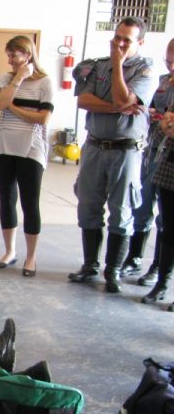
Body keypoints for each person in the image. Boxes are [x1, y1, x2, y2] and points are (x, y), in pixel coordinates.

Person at [68, 17, 156, 293]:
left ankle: (113, 271)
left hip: (126, 150)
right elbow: (84, 101)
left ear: (140, 43)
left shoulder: (146, 70)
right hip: (95, 146)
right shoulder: (97, 66)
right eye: (117, 37)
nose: (118, 44)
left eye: (126, 40)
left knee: (121, 211)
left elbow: (123, 99)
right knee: (88, 206)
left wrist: (118, 67)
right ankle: (90, 265)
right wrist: (119, 106)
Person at [0, 35, 54, 278]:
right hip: (4, 146)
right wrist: (18, 78)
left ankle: (31, 257)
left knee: (29, 202)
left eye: (14, 55)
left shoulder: (45, 82)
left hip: (31, 148)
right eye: (8, 55)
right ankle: (9, 251)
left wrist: (13, 108)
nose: (10, 60)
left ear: (28, 55)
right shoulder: (7, 78)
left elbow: (43, 118)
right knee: (7, 199)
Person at [122, 38, 174, 285]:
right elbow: (143, 107)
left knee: (167, 220)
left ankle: (158, 268)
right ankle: (134, 257)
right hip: (151, 150)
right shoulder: (161, 82)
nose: (171, 66)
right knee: (141, 206)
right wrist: (153, 114)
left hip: (169, 158)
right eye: (168, 61)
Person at [139, 107, 174, 310]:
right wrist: (166, 125)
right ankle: (161, 284)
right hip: (169, 172)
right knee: (168, 232)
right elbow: (160, 131)